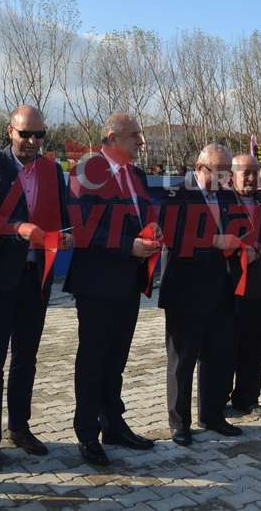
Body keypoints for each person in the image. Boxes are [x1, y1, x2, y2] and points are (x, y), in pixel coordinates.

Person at [0, 105, 71, 473]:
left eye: (39, 135)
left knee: (26, 356)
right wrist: (19, 229)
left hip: (35, 277)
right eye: (25, 134)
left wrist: (67, 235)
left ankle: (19, 427)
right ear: (9, 130)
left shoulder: (52, 170)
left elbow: (64, 215)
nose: (31, 142)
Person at [64, 113, 155, 467]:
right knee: (93, 360)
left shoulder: (137, 175)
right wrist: (127, 246)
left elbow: (141, 217)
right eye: (135, 136)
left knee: (116, 359)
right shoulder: (86, 173)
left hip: (129, 282)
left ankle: (112, 424)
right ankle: (87, 434)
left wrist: (150, 235)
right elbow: (83, 226)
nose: (140, 142)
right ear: (112, 138)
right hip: (97, 282)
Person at [159, 144, 243, 446]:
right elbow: (172, 235)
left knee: (218, 356)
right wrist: (215, 240)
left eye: (226, 172)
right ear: (198, 167)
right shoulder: (175, 194)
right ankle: (179, 422)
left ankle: (213, 414)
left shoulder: (226, 194)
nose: (222, 178)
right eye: (216, 171)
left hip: (220, 288)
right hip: (186, 290)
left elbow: (237, 228)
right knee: (182, 361)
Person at [226, 154, 261, 415]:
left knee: (255, 347)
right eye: (245, 172)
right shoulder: (222, 203)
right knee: (226, 347)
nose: (250, 178)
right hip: (229, 288)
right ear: (231, 175)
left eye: (254, 172)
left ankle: (248, 398)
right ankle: (218, 397)